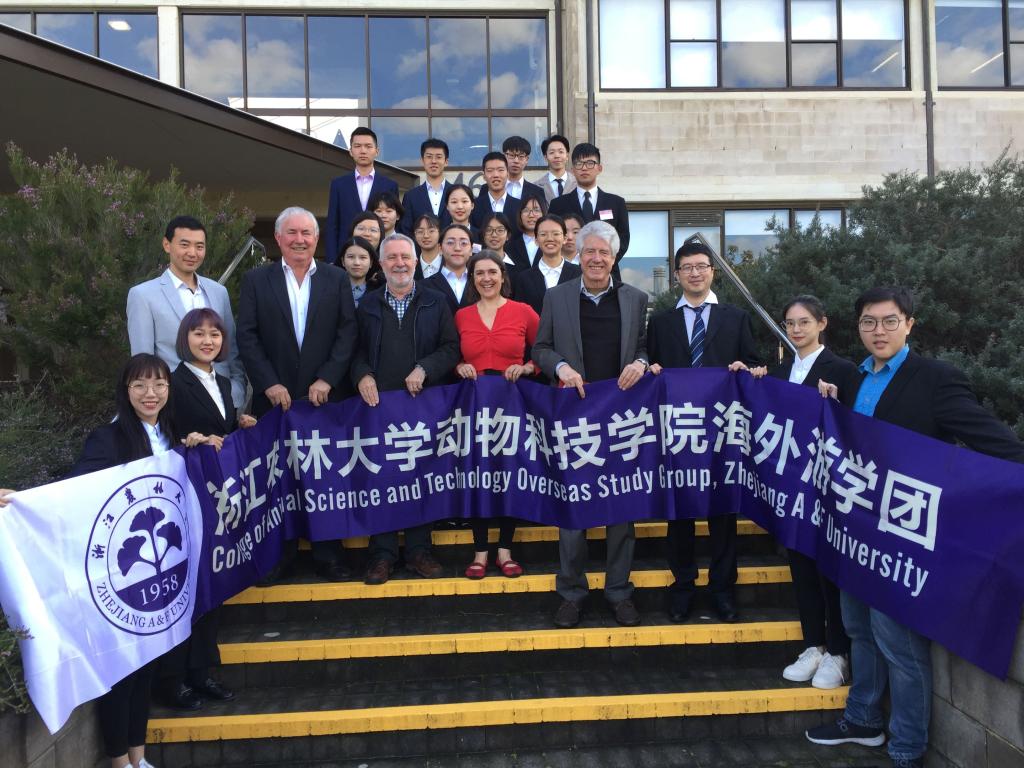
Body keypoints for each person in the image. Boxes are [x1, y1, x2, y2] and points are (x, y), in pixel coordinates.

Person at [806, 286, 1024, 768]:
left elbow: (990, 439)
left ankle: (907, 746)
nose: (878, 331)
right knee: (858, 629)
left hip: (902, 538)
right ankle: (863, 718)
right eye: (868, 322)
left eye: (889, 321)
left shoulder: (936, 379)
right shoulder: (853, 378)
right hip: (856, 531)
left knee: (899, 643)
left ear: (909, 324)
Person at [0, 354, 201, 768]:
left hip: (157, 575)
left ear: (169, 389)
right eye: (139, 385)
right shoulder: (108, 438)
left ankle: (139, 757)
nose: (150, 393)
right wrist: (23, 501)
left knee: (147, 666)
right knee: (123, 671)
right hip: (120, 578)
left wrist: (200, 446)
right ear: (125, 391)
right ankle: (119, 761)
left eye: (159, 384)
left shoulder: (169, 434)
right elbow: (75, 492)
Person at [532, 220, 650, 629]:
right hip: (574, 416)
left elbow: (643, 349)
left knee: (622, 510)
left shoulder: (636, 299)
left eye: (604, 252)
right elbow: (541, 347)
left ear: (614, 258)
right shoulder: (557, 296)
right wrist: (561, 367)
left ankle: (619, 592)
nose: (596, 259)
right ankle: (571, 593)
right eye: (590, 252)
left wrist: (640, 363)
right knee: (573, 509)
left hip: (621, 418)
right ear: (578, 255)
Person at [236, 206, 357, 584]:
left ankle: (328, 554)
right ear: (278, 238)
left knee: (326, 477)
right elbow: (247, 336)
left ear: (317, 239)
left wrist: (327, 378)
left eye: (307, 233)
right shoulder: (256, 280)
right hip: (275, 400)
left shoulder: (336, 279)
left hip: (324, 400)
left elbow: (347, 333)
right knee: (278, 480)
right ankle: (280, 554)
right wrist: (268, 383)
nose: (300, 240)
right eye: (292, 232)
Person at [744, 296, 856, 689]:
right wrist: (751, 380)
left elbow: (856, 426)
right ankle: (813, 645)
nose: (796, 329)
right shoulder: (779, 371)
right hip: (791, 489)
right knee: (801, 567)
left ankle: (839, 652)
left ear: (822, 323)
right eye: (790, 323)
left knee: (829, 571)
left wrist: (836, 401)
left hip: (827, 489)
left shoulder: (843, 370)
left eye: (804, 322)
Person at [646, 237, 759, 624]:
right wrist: (652, 371)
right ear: (677, 275)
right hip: (679, 432)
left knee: (723, 514)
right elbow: (652, 366)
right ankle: (683, 588)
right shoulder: (661, 322)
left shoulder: (736, 318)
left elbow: (754, 364)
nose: (695, 273)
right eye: (687, 268)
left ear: (713, 272)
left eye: (701, 267)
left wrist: (747, 369)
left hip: (722, 431)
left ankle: (722, 591)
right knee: (678, 514)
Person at [159, 308, 256, 711]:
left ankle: (201, 672)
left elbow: (219, 428)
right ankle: (174, 680)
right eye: (198, 334)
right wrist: (188, 440)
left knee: (211, 588)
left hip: (216, 500)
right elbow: (162, 433)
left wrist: (238, 424)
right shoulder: (172, 383)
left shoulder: (222, 381)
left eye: (214, 334)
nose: (207, 341)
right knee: (187, 591)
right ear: (185, 339)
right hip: (184, 499)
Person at [351, 234, 460, 585]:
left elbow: (451, 348)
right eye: (392, 257)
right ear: (381, 264)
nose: (399, 263)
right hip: (378, 408)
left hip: (422, 407)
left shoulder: (436, 301)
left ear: (416, 261)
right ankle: (382, 555)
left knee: (421, 478)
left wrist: (425, 368)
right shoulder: (367, 305)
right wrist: (362, 374)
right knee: (381, 479)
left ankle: (418, 551)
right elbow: (353, 350)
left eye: (405, 257)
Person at [454, 250, 539, 580]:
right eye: (479, 273)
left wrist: (527, 367)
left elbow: (544, 349)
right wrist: (458, 366)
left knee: (508, 474)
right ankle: (480, 552)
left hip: (512, 404)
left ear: (503, 276)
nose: (486, 278)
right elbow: (451, 353)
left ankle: (505, 550)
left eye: (492, 272)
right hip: (474, 406)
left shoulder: (523, 311)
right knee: (478, 474)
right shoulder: (461, 316)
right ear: (472, 279)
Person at [126, 215, 246, 411]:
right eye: (184, 245)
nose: (192, 253)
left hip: (223, 402)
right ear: (167, 245)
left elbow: (231, 348)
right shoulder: (143, 295)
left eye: (199, 246)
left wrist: (236, 391)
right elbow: (142, 361)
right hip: (174, 404)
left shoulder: (218, 292)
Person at [548, 142, 630, 280]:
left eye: (590, 163)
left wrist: (603, 260)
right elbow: (553, 237)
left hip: (607, 273)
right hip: (568, 275)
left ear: (599, 168)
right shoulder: (558, 204)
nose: (584, 168)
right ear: (572, 170)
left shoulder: (616, 203)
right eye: (579, 164)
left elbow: (623, 238)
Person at [326, 126, 398, 263]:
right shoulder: (338, 184)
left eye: (368, 146)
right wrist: (332, 261)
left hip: (379, 257)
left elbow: (393, 224)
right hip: (345, 256)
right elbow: (332, 225)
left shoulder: (389, 185)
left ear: (377, 151)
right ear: (350, 151)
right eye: (358, 146)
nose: (363, 151)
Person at [513, 213, 582, 317]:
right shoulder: (524, 278)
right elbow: (520, 315)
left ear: (564, 238)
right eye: (543, 234)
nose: (550, 238)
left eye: (555, 234)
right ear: (536, 240)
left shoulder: (579, 274)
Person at [401, 138, 451, 235]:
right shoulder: (411, 196)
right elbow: (405, 231)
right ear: (422, 161)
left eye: (438, 157)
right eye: (429, 157)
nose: (433, 161)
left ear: (446, 161)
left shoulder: (456, 193)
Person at [426, 224, 476, 316]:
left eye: (463, 243)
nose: (457, 248)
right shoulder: (425, 286)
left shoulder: (480, 283)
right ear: (440, 248)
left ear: (471, 250)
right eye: (450, 243)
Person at [471, 152, 521, 230]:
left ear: (507, 173)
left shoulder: (520, 206)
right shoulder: (474, 207)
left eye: (500, 170)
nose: (495, 175)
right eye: (490, 170)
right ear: (484, 176)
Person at [506, 194, 545, 273]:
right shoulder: (509, 247)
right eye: (526, 210)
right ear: (520, 215)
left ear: (543, 213)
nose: (531, 215)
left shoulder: (552, 244)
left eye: (536, 210)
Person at [339, 236, 382, 307]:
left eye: (363, 257)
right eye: (351, 257)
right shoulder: (333, 290)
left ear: (371, 262)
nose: (357, 263)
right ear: (343, 261)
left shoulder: (381, 291)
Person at [479, 212, 525, 277]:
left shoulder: (520, 268)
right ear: (483, 234)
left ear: (508, 235)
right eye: (488, 230)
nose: (494, 235)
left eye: (500, 230)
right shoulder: (474, 263)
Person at [502, 135, 546, 201]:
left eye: (521, 156)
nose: (516, 161)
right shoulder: (489, 189)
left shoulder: (537, 192)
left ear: (527, 160)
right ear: (503, 157)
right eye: (511, 155)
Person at [536, 133, 576, 204]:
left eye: (561, 152)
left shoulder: (578, 184)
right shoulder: (536, 186)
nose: (557, 156)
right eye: (552, 152)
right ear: (545, 157)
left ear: (567, 156)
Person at [412, 213, 443, 280]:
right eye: (420, 231)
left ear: (440, 233)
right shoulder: (411, 266)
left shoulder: (450, 264)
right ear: (415, 236)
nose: (426, 236)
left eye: (431, 231)